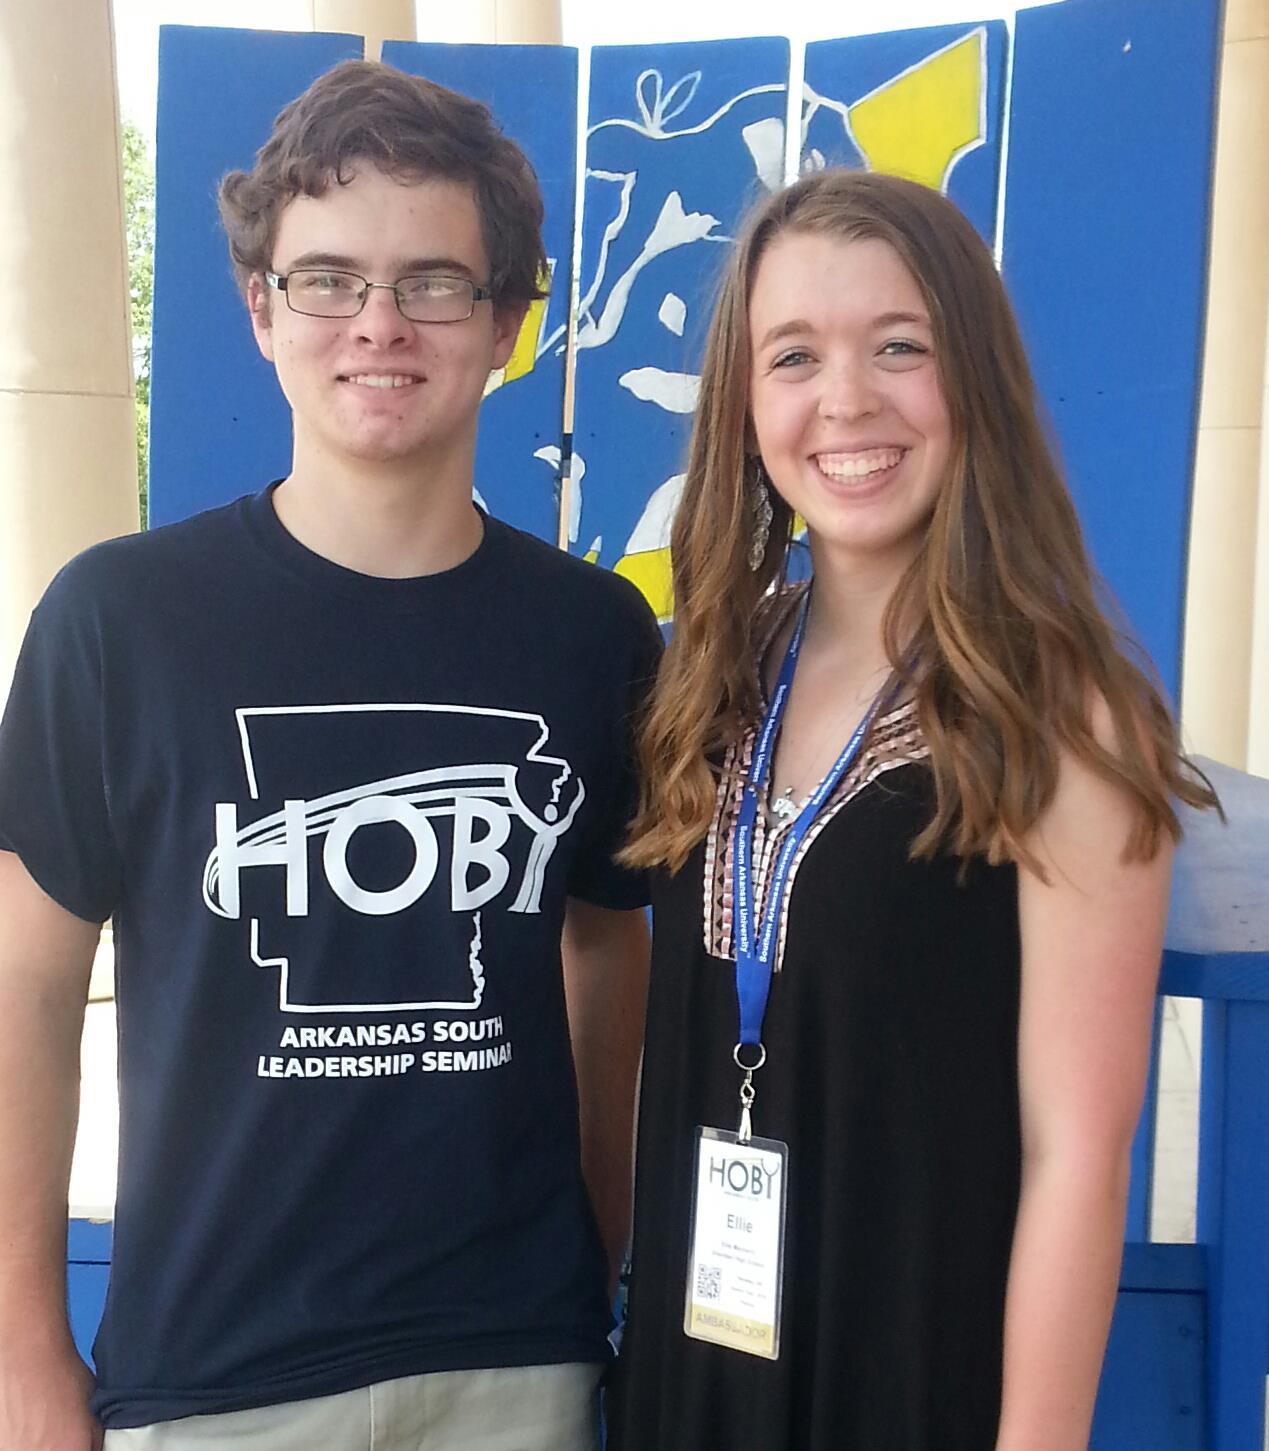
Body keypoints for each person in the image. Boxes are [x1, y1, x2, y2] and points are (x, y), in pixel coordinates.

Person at [0, 60, 658, 1450]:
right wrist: (23, 1351)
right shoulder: (119, 620)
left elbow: (612, 948)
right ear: (261, 310)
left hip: (514, 1359)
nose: (380, 321)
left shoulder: (593, 635)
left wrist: (594, 1257)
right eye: (326, 279)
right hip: (213, 1372)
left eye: (435, 280)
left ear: (505, 323)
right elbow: (27, 993)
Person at [604, 169, 1217, 1451]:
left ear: (974, 381)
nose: (846, 399)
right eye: (794, 355)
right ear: (743, 401)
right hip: (702, 1360)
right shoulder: (712, 674)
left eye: (900, 346)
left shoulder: (1060, 717)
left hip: (914, 1375)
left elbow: (1077, 1156)